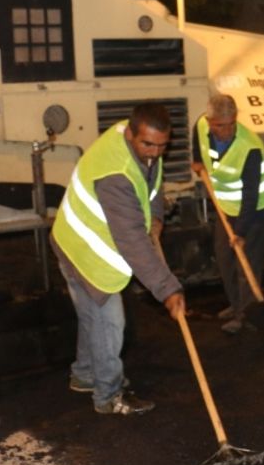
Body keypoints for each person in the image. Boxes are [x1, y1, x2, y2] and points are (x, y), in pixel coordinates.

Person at [51, 103, 186, 415]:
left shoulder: (141, 147)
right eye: (148, 144)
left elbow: (152, 184)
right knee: (109, 322)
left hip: (73, 239)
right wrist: (167, 289)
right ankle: (109, 396)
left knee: (91, 317)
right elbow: (132, 241)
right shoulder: (116, 174)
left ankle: (85, 375)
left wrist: (156, 217)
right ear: (130, 134)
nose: (155, 153)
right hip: (85, 251)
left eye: (162, 146)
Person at [191, 94, 264, 334]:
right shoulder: (201, 124)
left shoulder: (249, 148)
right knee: (224, 257)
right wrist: (197, 159)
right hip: (227, 206)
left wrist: (240, 232)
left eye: (231, 124)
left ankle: (246, 315)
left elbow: (251, 196)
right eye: (220, 126)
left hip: (255, 210)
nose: (227, 131)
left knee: (246, 263)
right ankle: (236, 304)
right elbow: (196, 137)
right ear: (210, 122)